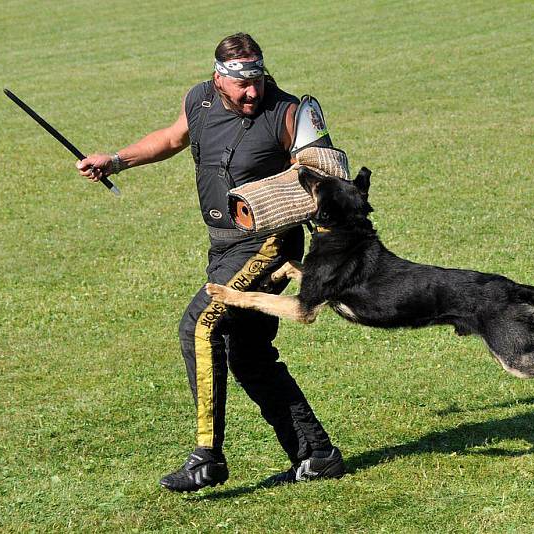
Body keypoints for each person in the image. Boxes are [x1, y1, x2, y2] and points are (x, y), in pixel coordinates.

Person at [76, 32, 345, 492]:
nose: (253, 92)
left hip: (268, 245)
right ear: (219, 79)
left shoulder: (291, 113)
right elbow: (173, 137)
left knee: (200, 324)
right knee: (250, 355)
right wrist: (116, 160)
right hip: (222, 245)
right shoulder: (199, 100)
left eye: (258, 80)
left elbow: (327, 174)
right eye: (242, 84)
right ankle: (316, 455)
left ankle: (207, 456)